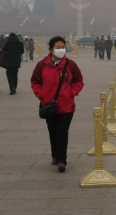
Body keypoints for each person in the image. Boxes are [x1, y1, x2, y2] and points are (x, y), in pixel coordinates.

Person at [31, 36, 84, 172]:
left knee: (62, 131)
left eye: (62, 47)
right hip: (48, 104)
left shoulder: (70, 65)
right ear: (50, 49)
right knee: (53, 131)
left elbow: (79, 81)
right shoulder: (42, 65)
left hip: (66, 105)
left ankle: (62, 160)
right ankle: (54, 154)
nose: (61, 50)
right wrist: (41, 94)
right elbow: (35, 81)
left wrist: (71, 92)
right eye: (58, 47)